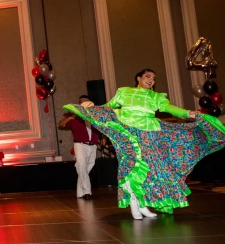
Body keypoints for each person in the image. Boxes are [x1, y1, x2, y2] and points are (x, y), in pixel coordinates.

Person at [64, 69, 225, 219]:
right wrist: (91, 108)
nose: (151, 80)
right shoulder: (124, 92)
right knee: (133, 166)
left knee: (153, 169)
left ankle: (143, 203)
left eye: (154, 79)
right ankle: (135, 202)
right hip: (128, 134)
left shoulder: (156, 97)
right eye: (148, 77)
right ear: (138, 78)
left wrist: (187, 113)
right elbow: (108, 107)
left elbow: (168, 108)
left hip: (150, 136)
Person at [58, 95, 99, 200]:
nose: (85, 102)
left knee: (85, 168)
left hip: (93, 146)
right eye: (83, 101)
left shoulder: (94, 116)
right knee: (82, 166)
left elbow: (102, 128)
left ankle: (80, 192)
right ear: (80, 104)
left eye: (87, 101)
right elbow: (60, 124)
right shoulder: (74, 116)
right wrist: (71, 117)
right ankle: (87, 192)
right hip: (80, 145)